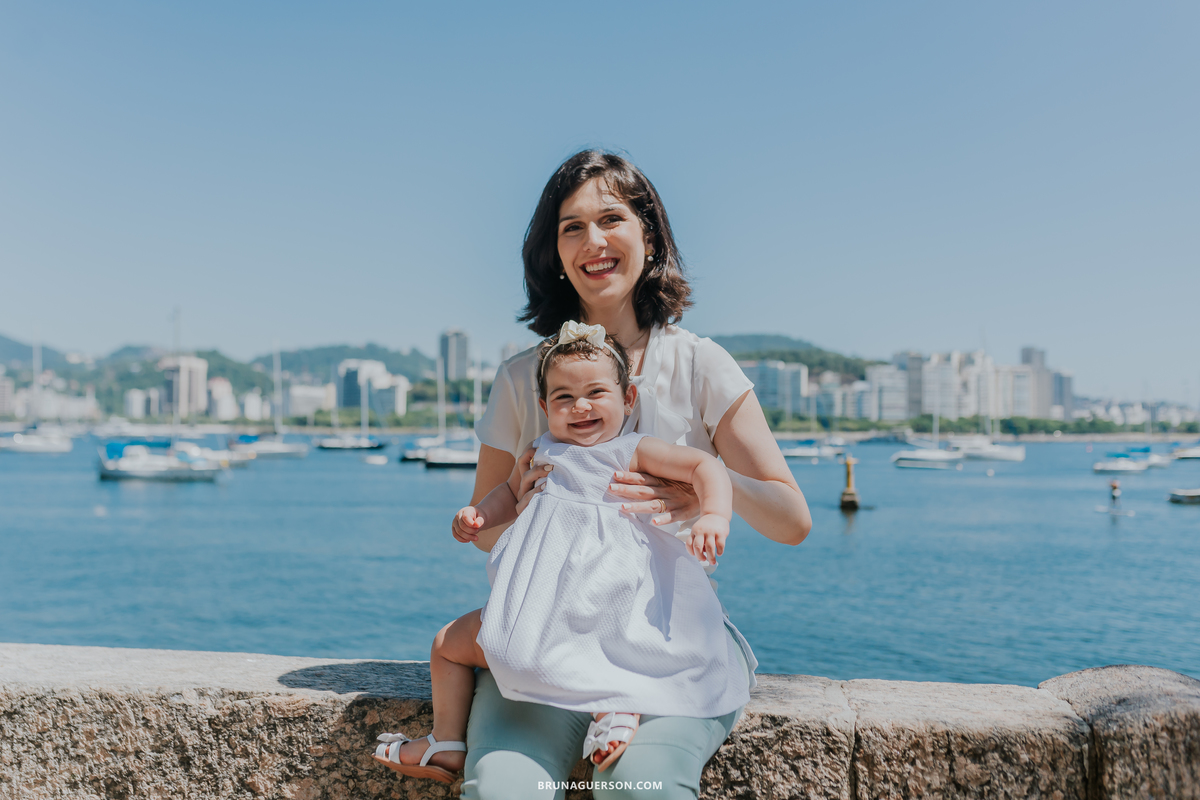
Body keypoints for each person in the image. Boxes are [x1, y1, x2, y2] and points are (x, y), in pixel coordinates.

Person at [460, 150, 813, 800]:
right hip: (548, 636)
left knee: (638, 789)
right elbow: (485, 532)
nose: (593, 241)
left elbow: (793, 519)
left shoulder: (701, 365)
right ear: (554, 252)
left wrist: (707, 489)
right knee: (501, 787)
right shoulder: (522, 380)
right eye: (571, 227)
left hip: (670, 643)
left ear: (649, 237)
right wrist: (514, 505)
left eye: (612, 219)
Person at [373, 322, 749, 782]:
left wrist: (714, 515)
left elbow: (704, 465)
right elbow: (508, 495)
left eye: (595, 392)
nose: (580, 406)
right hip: (541, 607)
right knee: (447, 645)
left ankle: (617, 705)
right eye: (564, 397)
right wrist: (478, 516)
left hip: (607, 599)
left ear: (628, 400)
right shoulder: (538, 452)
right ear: (544, 407)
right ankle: (446, 741)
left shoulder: (629, 452)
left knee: (611, 649)